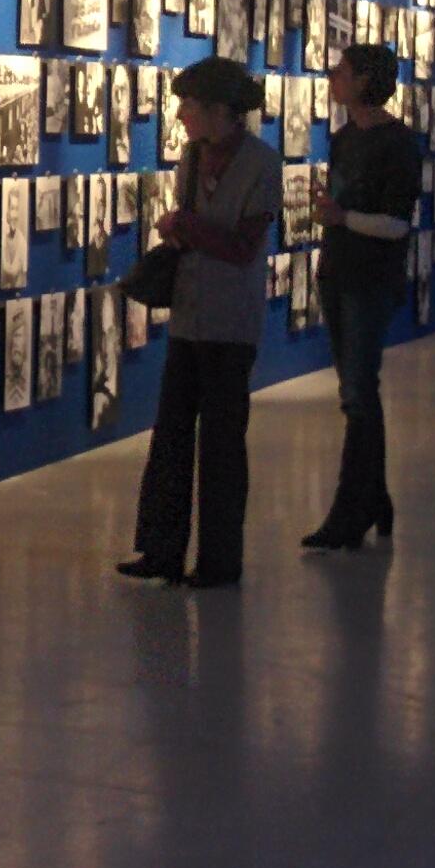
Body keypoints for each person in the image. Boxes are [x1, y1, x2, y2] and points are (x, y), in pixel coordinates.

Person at [117, 55, 279, 588]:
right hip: (189, 313)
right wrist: (183, 229)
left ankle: (219, 560)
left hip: (231, 321)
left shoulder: (262, 164)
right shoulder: (191, 157)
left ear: (219, 109)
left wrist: (184, 224)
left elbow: (242, 245)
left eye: (189, 105)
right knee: (171, 435)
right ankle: (161, 550)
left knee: (223, 443)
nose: (181, 114)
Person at [302, 42, 421, 550]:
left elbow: (396, 223)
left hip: (370, 277)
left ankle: (355, 507)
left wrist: (341, 217)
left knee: (357, 393)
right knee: (355, 393)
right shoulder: (344, 137)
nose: (333, 76)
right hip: (339, 271)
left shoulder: (398, 143)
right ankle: (371, 498)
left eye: (343, 70)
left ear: (366, 81)